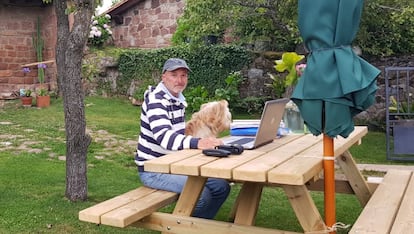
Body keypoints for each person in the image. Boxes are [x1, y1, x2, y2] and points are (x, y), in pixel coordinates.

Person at [135, 58, 230, 219]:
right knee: (201, 195)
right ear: (163, 77)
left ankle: (200, 226)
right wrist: (198, 142)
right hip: (153, 169)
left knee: (222, 187)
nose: (179, 80)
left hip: (172, 164)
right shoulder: (156, 100)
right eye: (174, 75)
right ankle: (186, 227)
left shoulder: (177, 99)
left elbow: (178, 137)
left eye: (183, 75)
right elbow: (164, 137)